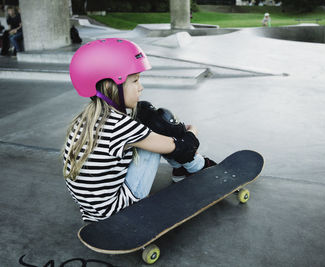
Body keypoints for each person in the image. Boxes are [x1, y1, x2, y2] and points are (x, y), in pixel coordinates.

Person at [63, 38, 216, 222]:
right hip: (117, 211)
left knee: (146, 122)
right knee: (159, 127)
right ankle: (198, 166)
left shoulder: (84, 118)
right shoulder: (120, 124)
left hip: (91, 209)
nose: (141, 87)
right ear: (112, 85)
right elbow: (179, 146)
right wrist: (192, 133)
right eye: (135, 81)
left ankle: (181, 170)